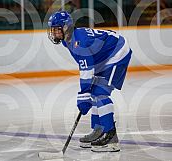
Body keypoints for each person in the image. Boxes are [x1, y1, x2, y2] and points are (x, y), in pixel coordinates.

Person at [47, 11, 132, 152]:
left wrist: (83, 95)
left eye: (56, 29)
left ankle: (111, 136)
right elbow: (87, 65)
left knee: (100, 93)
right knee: (93, 92)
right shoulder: (68, 40)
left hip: (117, 53)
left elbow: (86, 70)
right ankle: (99, 130)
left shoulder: (81, 42)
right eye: (53, 30)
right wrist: (86, 93)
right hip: (103, 57)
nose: (54, 33)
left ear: (66, 27)